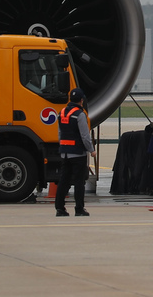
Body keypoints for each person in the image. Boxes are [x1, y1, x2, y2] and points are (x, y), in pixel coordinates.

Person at [55, 87, 94, 217]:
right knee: (79, 181)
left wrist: (63, 148)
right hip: (78, 153)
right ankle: (79, 208)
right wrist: (91, 150)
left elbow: (60, 134)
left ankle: (60, 208)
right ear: (81, 100)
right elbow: (85, 136)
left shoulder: (61, 113)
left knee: (64, 180)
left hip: (65, 152)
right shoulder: (79, 114)